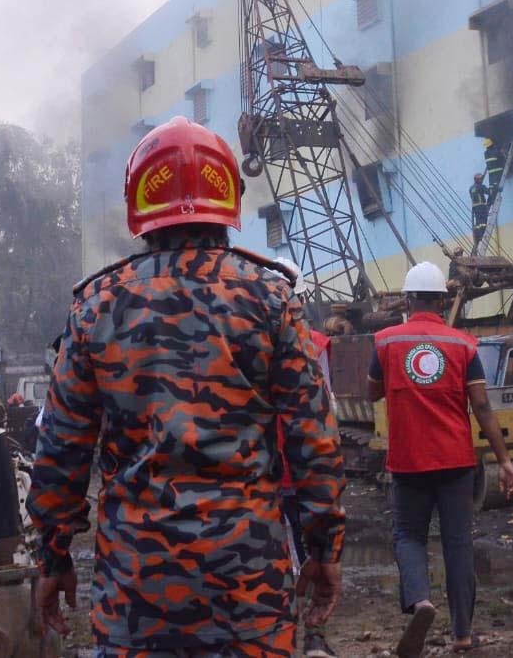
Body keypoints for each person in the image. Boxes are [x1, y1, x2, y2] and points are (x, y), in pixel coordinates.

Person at [27, 116, 345, 658]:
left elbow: (62, 449)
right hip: (248, 587)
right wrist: (324, 548)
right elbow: (313, 437)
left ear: (140, 206)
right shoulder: (272, 300)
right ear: (229, 201)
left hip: (136, 587)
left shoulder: (96, 305)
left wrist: (53, 558)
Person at [369, 262, 513, 657]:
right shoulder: (463, 345)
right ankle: (463, 636)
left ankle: (420, 601)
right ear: (443, 299)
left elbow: (369, 393)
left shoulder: (385, 342)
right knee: (458, 545)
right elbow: (483, 406)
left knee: (408, 536)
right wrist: (504, 461)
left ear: (407, 299)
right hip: (456, 461)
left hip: (407, 462)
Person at [270, 256, 338, 658]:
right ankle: (313, 637)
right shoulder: (315, 342)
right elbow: (323, 408)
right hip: (304, 466)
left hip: (265, 469)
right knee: (316, 551)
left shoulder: (241, 334)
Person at [468, 173, 490, 254]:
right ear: (478, 180)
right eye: (480, 179)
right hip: (481, 206)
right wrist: (492, 189)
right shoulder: (480, 187)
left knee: (478, 223)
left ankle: (478, 236)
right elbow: (488, 192)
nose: (481, 180)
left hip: (475, 208)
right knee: (483, 223)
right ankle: (482, 236)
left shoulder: (471, 188)